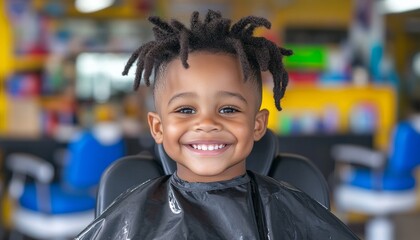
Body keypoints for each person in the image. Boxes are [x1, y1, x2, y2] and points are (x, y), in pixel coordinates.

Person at [75, 10, 359, 240]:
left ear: (258, 125)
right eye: (186, 109)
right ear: (158, 127)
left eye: (229, 109)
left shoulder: (291, 210)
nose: (207, 123)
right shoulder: (130, 217)